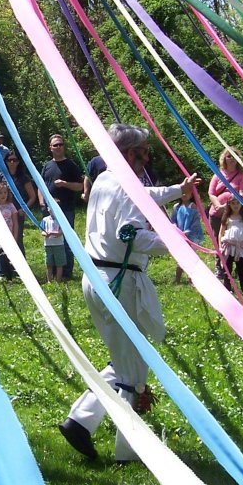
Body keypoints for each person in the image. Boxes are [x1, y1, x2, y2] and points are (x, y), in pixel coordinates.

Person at [59, 124, 199, 464]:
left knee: (124, 361)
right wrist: (176, 243)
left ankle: (80, 421)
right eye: (144, 152)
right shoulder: (124, 184)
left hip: (96, 279)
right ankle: (127, 452)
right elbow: (135, 237)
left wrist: (177, 190)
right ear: (127, 153)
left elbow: (145, 197)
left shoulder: (105, 180)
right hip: (120, 283)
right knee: (133, 370)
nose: (148, 158)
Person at [38, 134, 83, 280]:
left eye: (60, 144)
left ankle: (66, 273)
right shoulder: (47, 166)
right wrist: (41, 202)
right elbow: (41, 185)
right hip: (49, 211)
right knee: (50, 241)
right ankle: (52, 274)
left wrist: (65, 184)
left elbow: (80, 186)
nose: (58, 147)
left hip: (66, 209)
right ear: (50, 148)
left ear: (64, 146)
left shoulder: (71, 165)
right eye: (55, 145)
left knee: (66, 241)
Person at [208, 148, 243, 270]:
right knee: (219, 241)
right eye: (229, 156)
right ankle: (220, 268)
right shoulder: (218, 174)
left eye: (234, 156)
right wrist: (218, 206)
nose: (232, 159)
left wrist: (229, 207)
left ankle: (240, 267)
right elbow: (211, 193)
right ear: (224, 158)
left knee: (239, 240)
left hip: (236, 215)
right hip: (217, 214)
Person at [0, 149, 37, 276]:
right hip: (3, 214)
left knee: (17, 239)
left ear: (19, 162)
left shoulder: (23, 177)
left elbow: (32, 197)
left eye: (15, 160)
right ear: (6, 162)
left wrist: (24, 209)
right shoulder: (1, 176)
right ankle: (2, 272)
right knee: (3, 240)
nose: (13, 162)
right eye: (10, 160)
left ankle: (20, 271)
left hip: (17, 214)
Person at [218, 196, 243, 295]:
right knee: (227, 269)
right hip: (228, 247)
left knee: (241, 269)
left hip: (240, 248)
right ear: (229, 205)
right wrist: (220, 247)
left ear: (241, 204)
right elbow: (220, 233)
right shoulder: (227, 218)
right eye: (233, 203)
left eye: (238, 203)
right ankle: (227, 289)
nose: (236, 205)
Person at [171, 194, 203, 284]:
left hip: (192, 237)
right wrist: (176, 229)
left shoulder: (193, 206)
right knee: (180, 257)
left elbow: (196, 222)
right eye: (183, 193)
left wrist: (188, 232)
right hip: (180, 236)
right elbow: (173, 221)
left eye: (187, 192)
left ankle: (191, 280)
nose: (185, 195)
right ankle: (177, 279)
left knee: (191, 257)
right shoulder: (176, 207)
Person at [41, 208, 66, 283]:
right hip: (48, 245)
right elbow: (42, 231)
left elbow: (61, 232)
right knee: (49, 263)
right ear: (48, 209)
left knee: (59, 263)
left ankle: (58, 280)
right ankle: (49, 280)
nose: (52, 210)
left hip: (59, 244)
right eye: (50, 208)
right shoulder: (45, 219)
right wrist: (46, 234)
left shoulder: (61, 219)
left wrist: (52, 233)